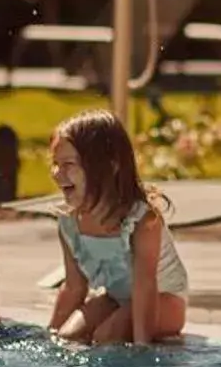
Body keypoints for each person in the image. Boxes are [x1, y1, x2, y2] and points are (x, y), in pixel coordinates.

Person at [46, 110, 188, 345]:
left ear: (110, 166)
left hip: (163, 299)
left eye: (68, 164)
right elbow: (74, 286)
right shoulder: (69, 222)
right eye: (55, 164)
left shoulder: (141, 221)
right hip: (116, 297)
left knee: (108, 336)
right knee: (68, 337)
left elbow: (145, 287)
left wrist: (142, 349)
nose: (57, 173)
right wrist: (48, 338)